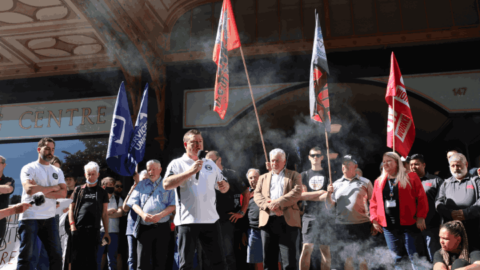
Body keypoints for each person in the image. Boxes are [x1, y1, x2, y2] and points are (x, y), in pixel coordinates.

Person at [163, 129, 229, 270]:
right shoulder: (177, 164)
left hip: (211, 220)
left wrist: (224, 186)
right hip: (187, 221)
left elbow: (224, 184)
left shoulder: (210, 164)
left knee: (219, 263)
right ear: (185, 144)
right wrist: (190, 172)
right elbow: (166, 184)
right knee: (186, 264)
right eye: (194, 142)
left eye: (200, 141)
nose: (198, 145)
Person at [370, 152, 429, 269]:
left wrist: (421, 216)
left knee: (415, 256)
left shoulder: (411, 176)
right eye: (384, 161)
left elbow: (421, 197)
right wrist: (374, 219)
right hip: (388, 227)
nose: (385, 163)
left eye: (389, 161)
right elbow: (374, 202)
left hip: (409, 224)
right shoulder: (379, 181)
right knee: (397, 258)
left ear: (397, 162)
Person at [17, 137, 67, 270]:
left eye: (52, 149)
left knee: (56, 256)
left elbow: (63, 193)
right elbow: (29, 189)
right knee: (26, 257)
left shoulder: (57, 171)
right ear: (39, 150)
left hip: (49, 217)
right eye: (47, 149)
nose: (50, 152)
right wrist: (54, 188)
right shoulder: (29, 168)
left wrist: (41, 190)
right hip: (30, 217)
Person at [254, 148, 302, 270]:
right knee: (269, 261)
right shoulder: (262, 177)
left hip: (287, 222)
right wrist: (269, 206)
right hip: (268, 221)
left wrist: (277, 203)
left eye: (277, 160)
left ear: (284, 161)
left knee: (289, 262)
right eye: (272, 161)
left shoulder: (294, 175)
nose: (274, 163)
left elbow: (296, 193)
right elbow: (257, 195)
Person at [324, 155, 373, 270]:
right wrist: (328, 193)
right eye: (343, 164)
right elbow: (329, 206)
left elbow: (374, 203)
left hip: (362, 224)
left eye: (348, 163)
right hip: (342, 226)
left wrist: (374, 221)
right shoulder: (335, 184)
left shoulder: (365, 182)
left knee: (363, 257)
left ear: (355, 166)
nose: (344, 166)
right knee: (347, 257)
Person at [128, 160, 175, 270]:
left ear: (160, 170)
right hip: (144, 228)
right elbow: (133, 203)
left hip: (162, 228)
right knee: (142, 262)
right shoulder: (141, 185)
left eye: (154, 169)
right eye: (149, 169)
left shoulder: (167, 185)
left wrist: (160, 215)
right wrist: (143, 214)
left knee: (160, 262)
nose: (151, 172)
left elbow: (173, 205)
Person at [206, 150, 249, 270]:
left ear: (219, 160)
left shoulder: (231, 174)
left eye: (212, 161)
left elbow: (246, 191)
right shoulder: (205, 175)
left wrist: (242, 211)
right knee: (211, 254)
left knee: (228, 253)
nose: (209, 164)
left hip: (227, 219)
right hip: (209, 219)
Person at [68, 161, 110, 270]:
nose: (90, 176)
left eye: (93, 174)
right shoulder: (78, 189)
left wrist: (106, 232)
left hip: (94, 230)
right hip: (78, 229)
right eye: (88, 174)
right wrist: (72, 226)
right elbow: (70, 208)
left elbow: (105, 213)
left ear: (98, 175)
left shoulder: (102, 192)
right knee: (76, 260)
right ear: (85, 174)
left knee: (92, 261)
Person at [436, 153, 480, 252]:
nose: (456, 168)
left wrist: (466, 213)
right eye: (453, 165)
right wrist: (450, 213)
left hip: (474, 227)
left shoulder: (476, 181)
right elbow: (438, 202)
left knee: (475, 254)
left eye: (458, 165)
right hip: (452, 230)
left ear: (466, 164)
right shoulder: (445, 183)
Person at [298, 146, 330, 270]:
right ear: (309, 158)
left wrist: (311, 196)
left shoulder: (328, 174)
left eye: (317, 155)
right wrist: (321, 193)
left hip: (326, 215)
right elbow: (301, 196)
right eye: (312, 155)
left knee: (325, 250)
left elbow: (329, 196)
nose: (315, 157)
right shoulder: (304, 175)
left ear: (322, 157)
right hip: (309, 215)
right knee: (306, 248)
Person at [410, 153, 444, 263]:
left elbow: (443, 203)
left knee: (435, 256)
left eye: (416, 164)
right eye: (411, 165)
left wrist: (442, 223)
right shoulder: (406, 183)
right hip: (412, 228)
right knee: (418, 258)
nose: (413, 167)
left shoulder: (436, 180)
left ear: (424, 165)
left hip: (432, 227)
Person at [97, 177, 124, 270]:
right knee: (98, 257)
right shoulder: (98, 198)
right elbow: (96, 213)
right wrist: (110, 211)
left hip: (114, 233)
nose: (112, 187)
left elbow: (120, 213)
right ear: (103, 186)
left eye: (113, 185)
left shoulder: (117, 199)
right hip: (101, 232)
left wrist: (104, 214)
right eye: (110, 185)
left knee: (112, 259)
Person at [123, 170, 147, 270]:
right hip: (132, 227)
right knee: (132, 257)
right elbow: (125, 208)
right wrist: (132, 189)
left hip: (145, 227)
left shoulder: (151, 190)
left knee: (144, 257)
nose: (145, 181)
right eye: (143, 179)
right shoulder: (134, 189)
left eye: (147, 179)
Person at [244, 168, 264, 270]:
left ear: (260, 177)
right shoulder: (246, 194)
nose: (253, 180)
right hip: (253, 231)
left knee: (273, 258)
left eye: (255, 177)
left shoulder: (267, 190)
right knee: (256, 261)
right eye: (250, 178)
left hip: (267, 229)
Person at [0, 155, 15, 241]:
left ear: (4, 165)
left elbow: (8, 189)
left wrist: (5, 188)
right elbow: (5, 189)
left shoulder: (9, 180)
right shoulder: (6, 182)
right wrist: (3, 188)